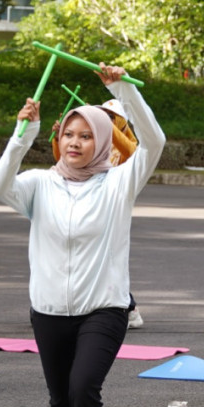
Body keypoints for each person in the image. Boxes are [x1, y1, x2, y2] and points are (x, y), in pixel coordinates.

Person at [0, 64, 164, 407]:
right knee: (59, 395)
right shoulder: (39, 185)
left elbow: (155, 142)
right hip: (48, 309)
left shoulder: (120, 184)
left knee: (83, 389)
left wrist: (122, 90)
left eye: (86, 136)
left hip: (104, 308)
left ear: (102, 142)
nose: (75, 142)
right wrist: (21, 134)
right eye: (69, 133)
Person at [51, 99, 143, 330]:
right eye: (103, 115)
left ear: (120, 121)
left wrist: (105, 125)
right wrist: (60, 136)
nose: (106, 120)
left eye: (112, 117)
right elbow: (62, 160)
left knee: (106, 260)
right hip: (82, 198)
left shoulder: (126, 140)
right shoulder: (92, 139)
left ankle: (128, 307)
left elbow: (132, 153)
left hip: (111, 205)